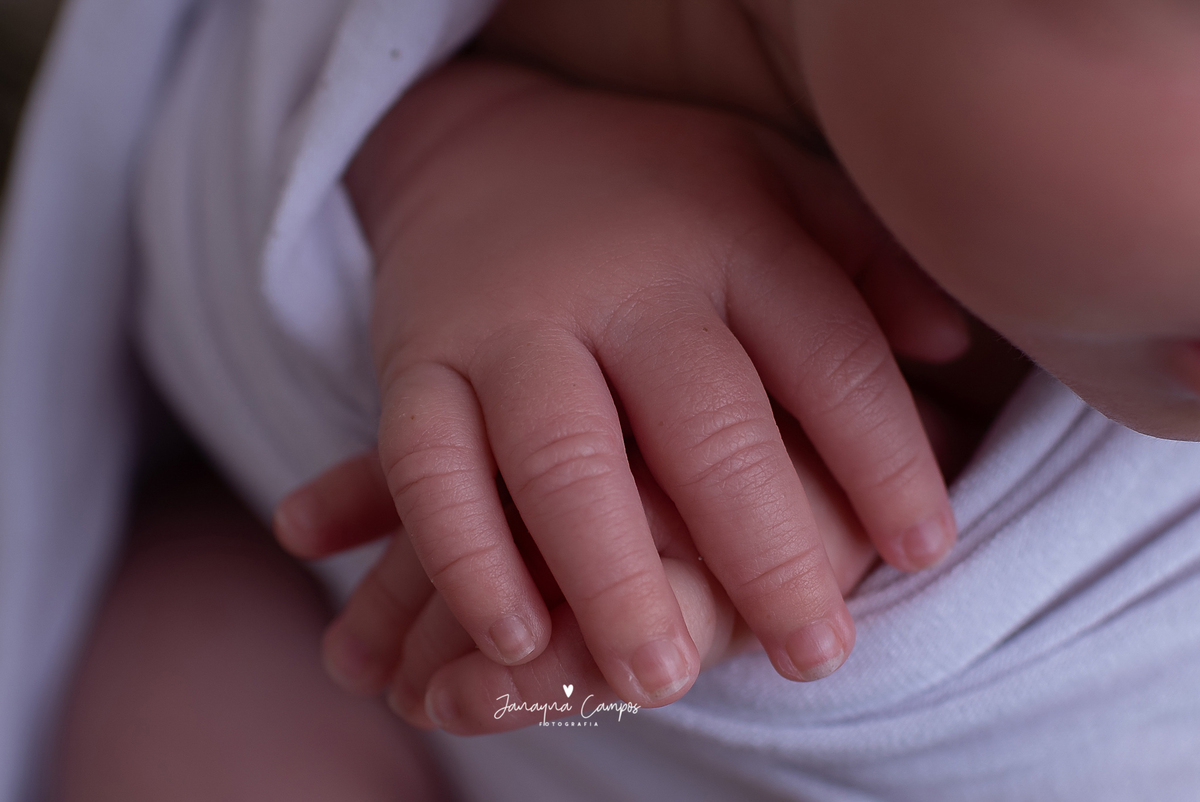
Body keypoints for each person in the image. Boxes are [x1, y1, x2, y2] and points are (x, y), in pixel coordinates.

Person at [3, 1, 1199, 801]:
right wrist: (445, 157)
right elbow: (185, 212)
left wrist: (788, 568)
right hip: (370, 668)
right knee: (199, 648)